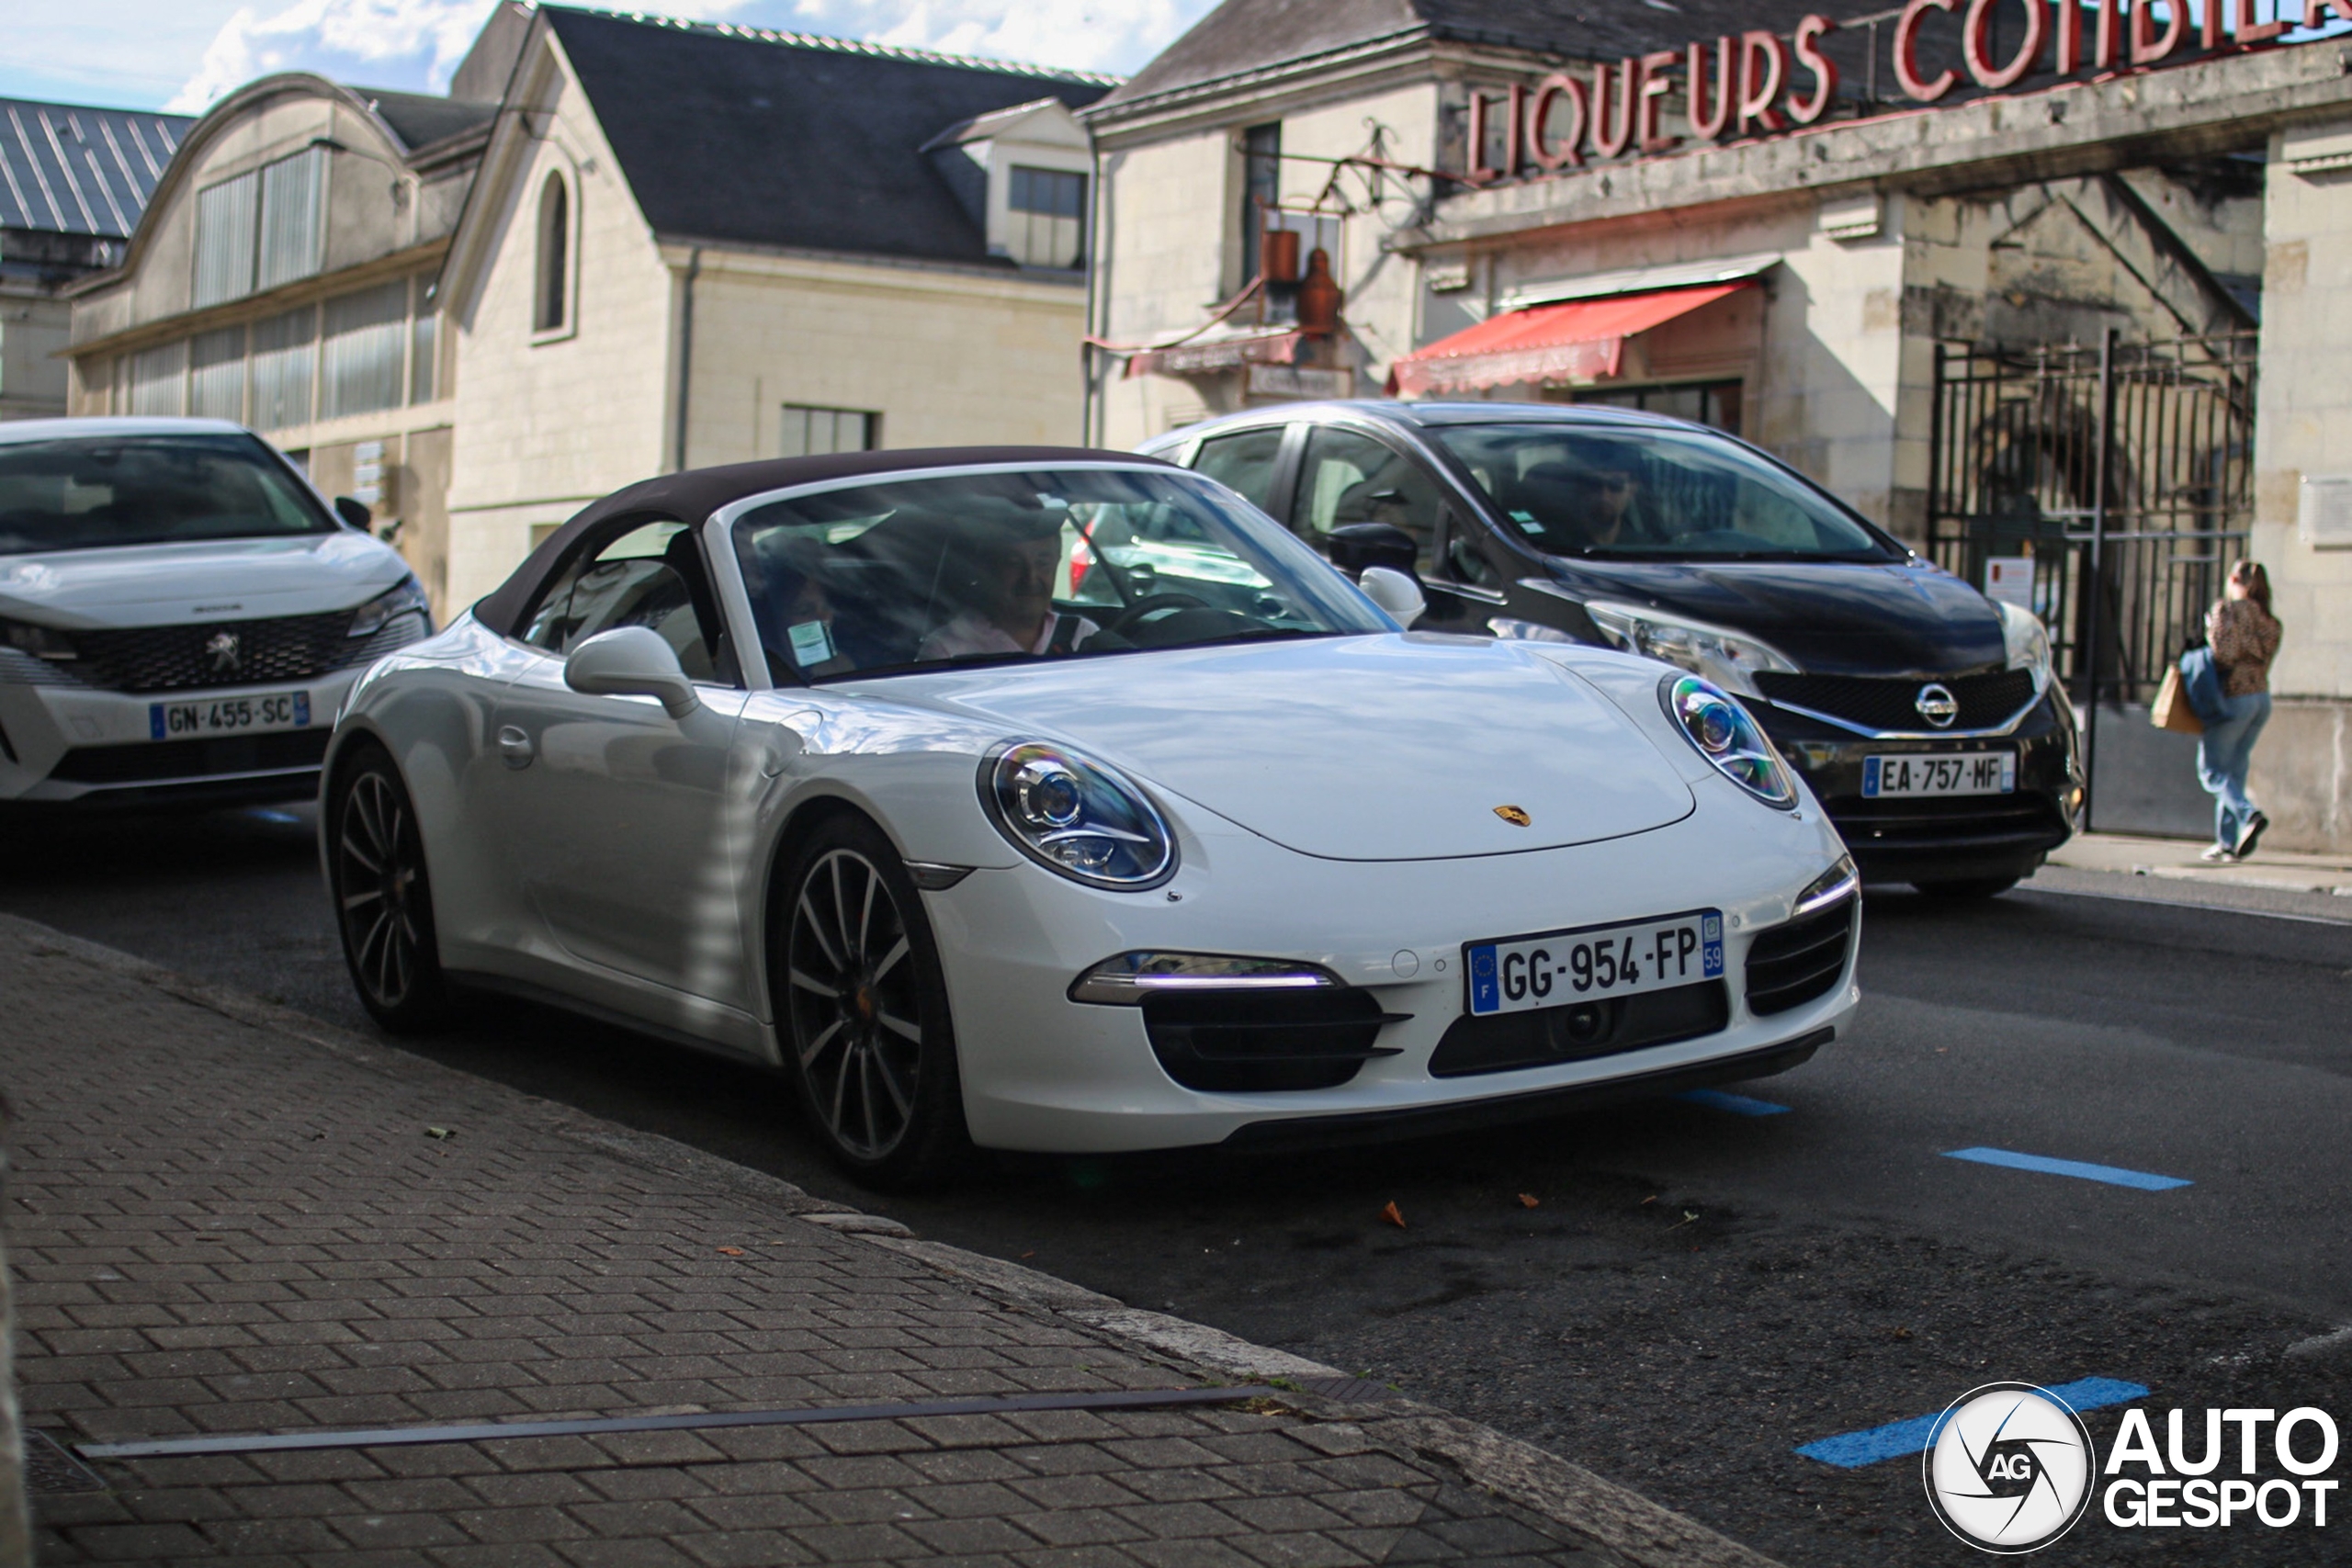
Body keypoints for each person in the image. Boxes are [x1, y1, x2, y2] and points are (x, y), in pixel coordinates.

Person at [919, 513, 1099, 661]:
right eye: (1013, 564)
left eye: (1043, 563)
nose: (1030, 578)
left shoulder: (1083, 636)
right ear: (987, 570)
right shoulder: (947, 649)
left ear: (1057, 564)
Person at [2197, 558, 2283, 863]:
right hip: (2261, 698)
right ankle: (2227, 843)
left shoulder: (2228, 610)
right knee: (2234, 770)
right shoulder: (2270, 620)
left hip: (2234, 697)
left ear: (2236, 580)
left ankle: (2248, 814)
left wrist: (2212, 627)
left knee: (2211, 771)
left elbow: (2224, 654)